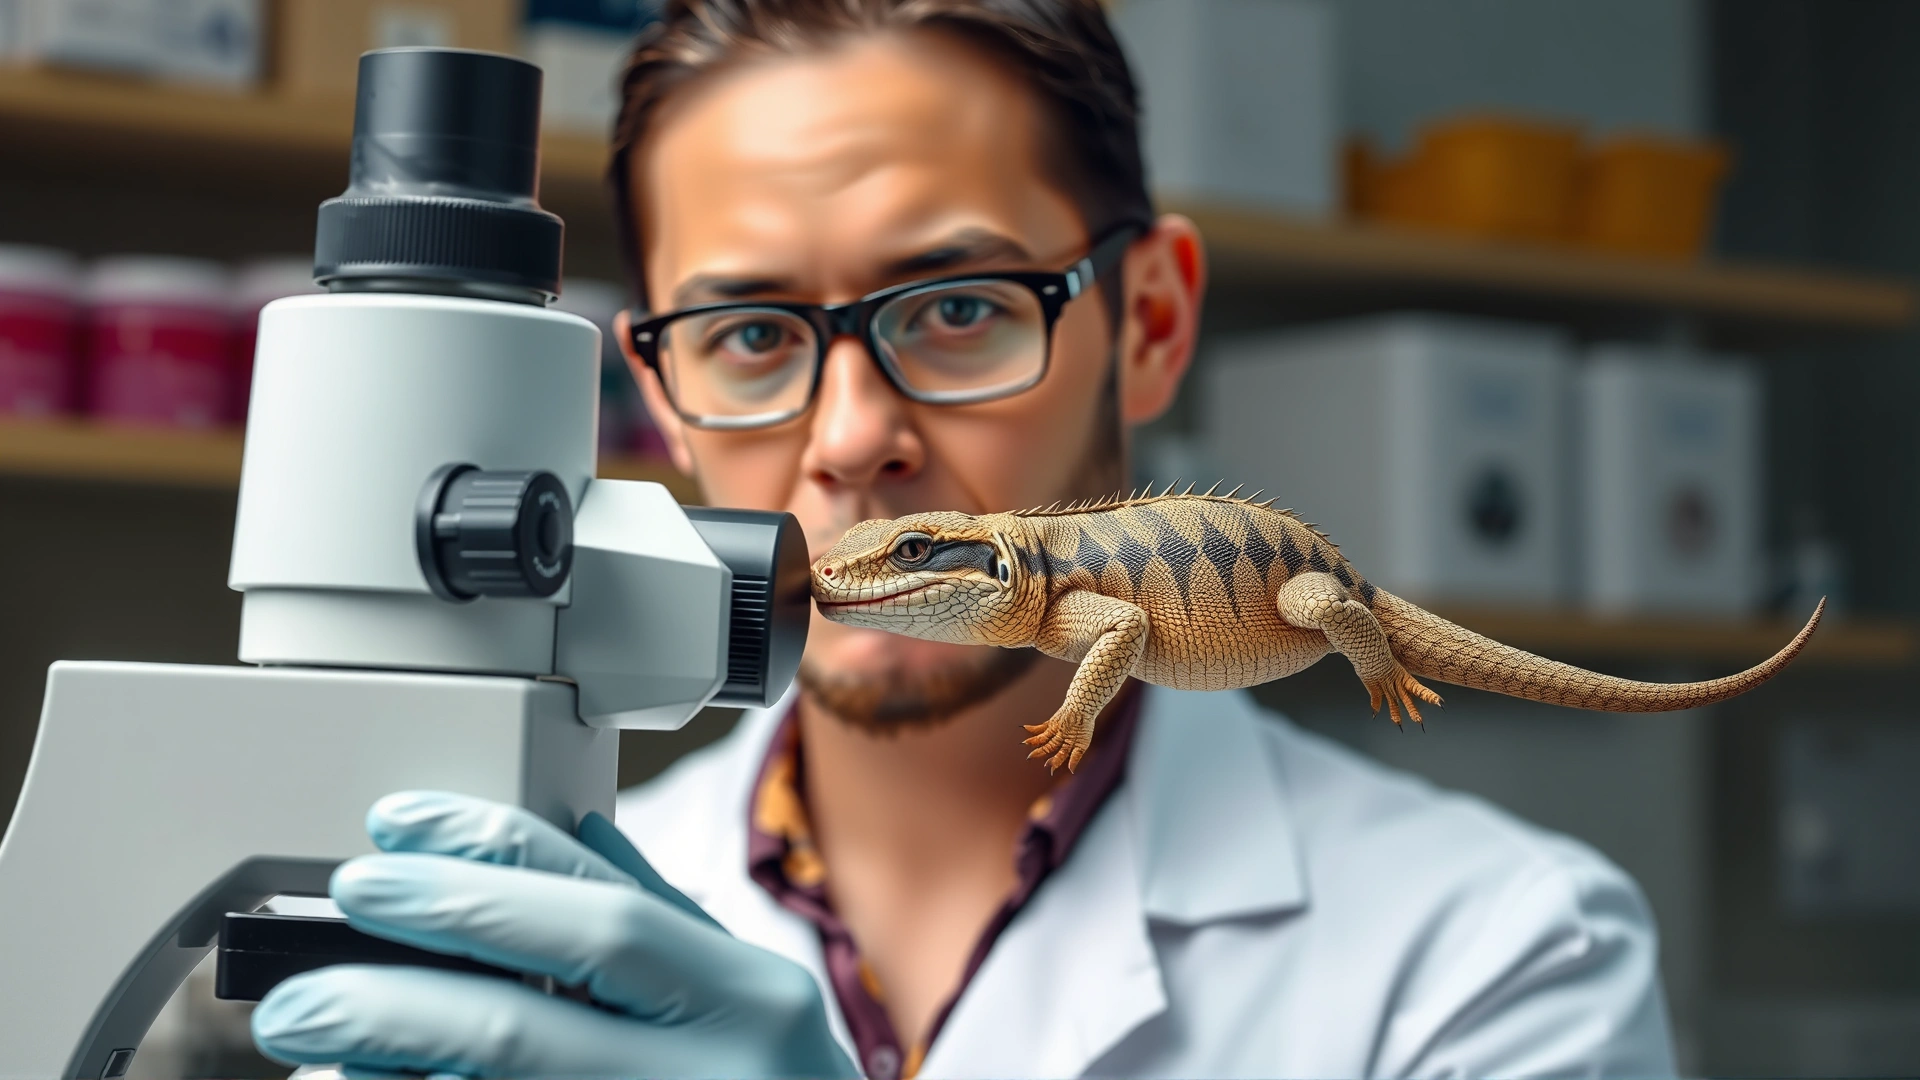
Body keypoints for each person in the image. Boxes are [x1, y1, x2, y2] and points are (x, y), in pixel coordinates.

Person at [251, 1, 1677, 1076]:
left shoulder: (1502, 955)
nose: (850, 435)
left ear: (1155, 325)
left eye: (956, 309)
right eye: (750, 335)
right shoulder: (520, 908)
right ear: (659, 394)